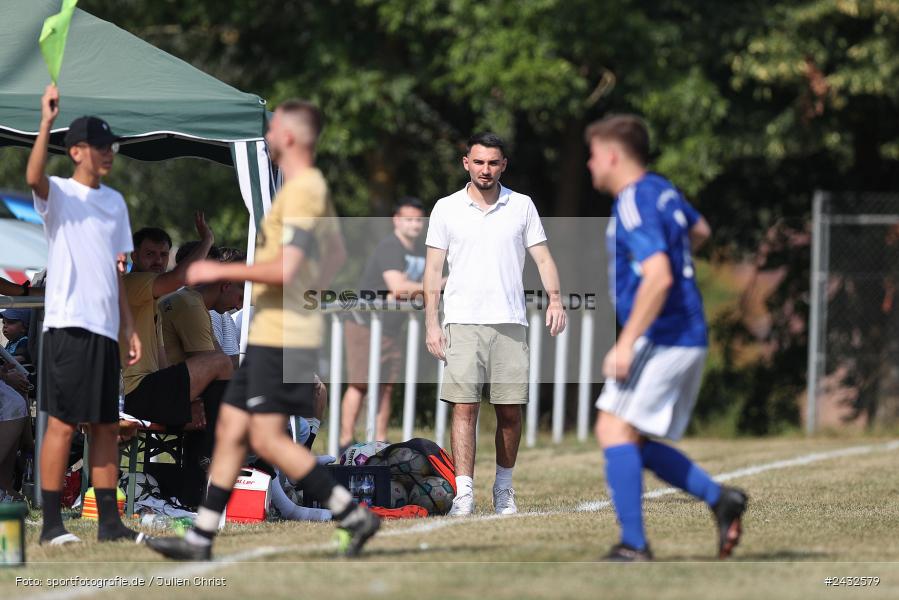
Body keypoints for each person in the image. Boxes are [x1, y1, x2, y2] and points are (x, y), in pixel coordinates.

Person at [146, 99, 379, 561]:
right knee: (234, 427)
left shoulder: (301, 191)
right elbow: (329, 258)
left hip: (282, 332)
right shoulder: (306, 188)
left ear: (290, 136)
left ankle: (351, 514)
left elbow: (288, 267)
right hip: (279, 328)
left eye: (273, 130)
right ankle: (201, 539)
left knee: (266, 437)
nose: (267, 136)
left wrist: (216, 274)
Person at [585, 114, 747, 561]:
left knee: (614, 428)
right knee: (625, 435)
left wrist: (625, 340)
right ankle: (720, 500)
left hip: (663, 333)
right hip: (683, 332)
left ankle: (634, 545)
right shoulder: (663, 189)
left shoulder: (633, 199)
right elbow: (700, 230)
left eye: (593, 154)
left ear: (613, 155)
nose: (589, 164)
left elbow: (658, 277)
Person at [423, 132, 567, 517]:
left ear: (503, 165)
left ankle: (504, 489)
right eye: (479, 162)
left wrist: (555, 299)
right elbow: (433, 270)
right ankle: (464, 494)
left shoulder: (521, 206)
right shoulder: (446, 208)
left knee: (509, 412)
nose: (486, 170)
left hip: (510, 323)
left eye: (493, 163)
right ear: (465, 162)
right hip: (462, 321)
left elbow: (544, 258)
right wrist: (431, 324)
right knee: (463, 408)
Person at [26, 84, 141, 544]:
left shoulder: (115, 203)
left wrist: (128, 326)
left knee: (106, 425)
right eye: (100, 147)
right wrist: (45, 122)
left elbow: (118, 272)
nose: (108, 153)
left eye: (111, 147)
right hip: (67, 327)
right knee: (61, 422)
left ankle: (110, 524)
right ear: (76, 152)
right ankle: (52, 525)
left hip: (103, 329)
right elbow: (33, 174)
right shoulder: (58, 192)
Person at [122, 223, 233, 429]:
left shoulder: (153, 299)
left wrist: (187, 400)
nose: (158, 261)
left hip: (148, 390)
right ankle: (207, 459)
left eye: (163, 255)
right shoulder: (134, 282)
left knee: (204, 411)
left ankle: (203, 459)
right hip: (134, 394)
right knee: (221, 363)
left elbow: (163, 361)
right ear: (134, 256)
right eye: (150, 254)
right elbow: (179, 277)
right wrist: (207, 241)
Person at [339, 197, 427, 449]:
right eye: (409, 219)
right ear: (396, 220)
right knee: (361, 383)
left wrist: (416, 291)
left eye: (418, 220)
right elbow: (398, 288)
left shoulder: (419, 251)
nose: (414, 225)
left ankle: (380, 440)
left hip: (391, 326)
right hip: (364, 323)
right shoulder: (390, 247)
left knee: (386, 385)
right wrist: (435, 285)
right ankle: (346, 440)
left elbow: (404, 291)